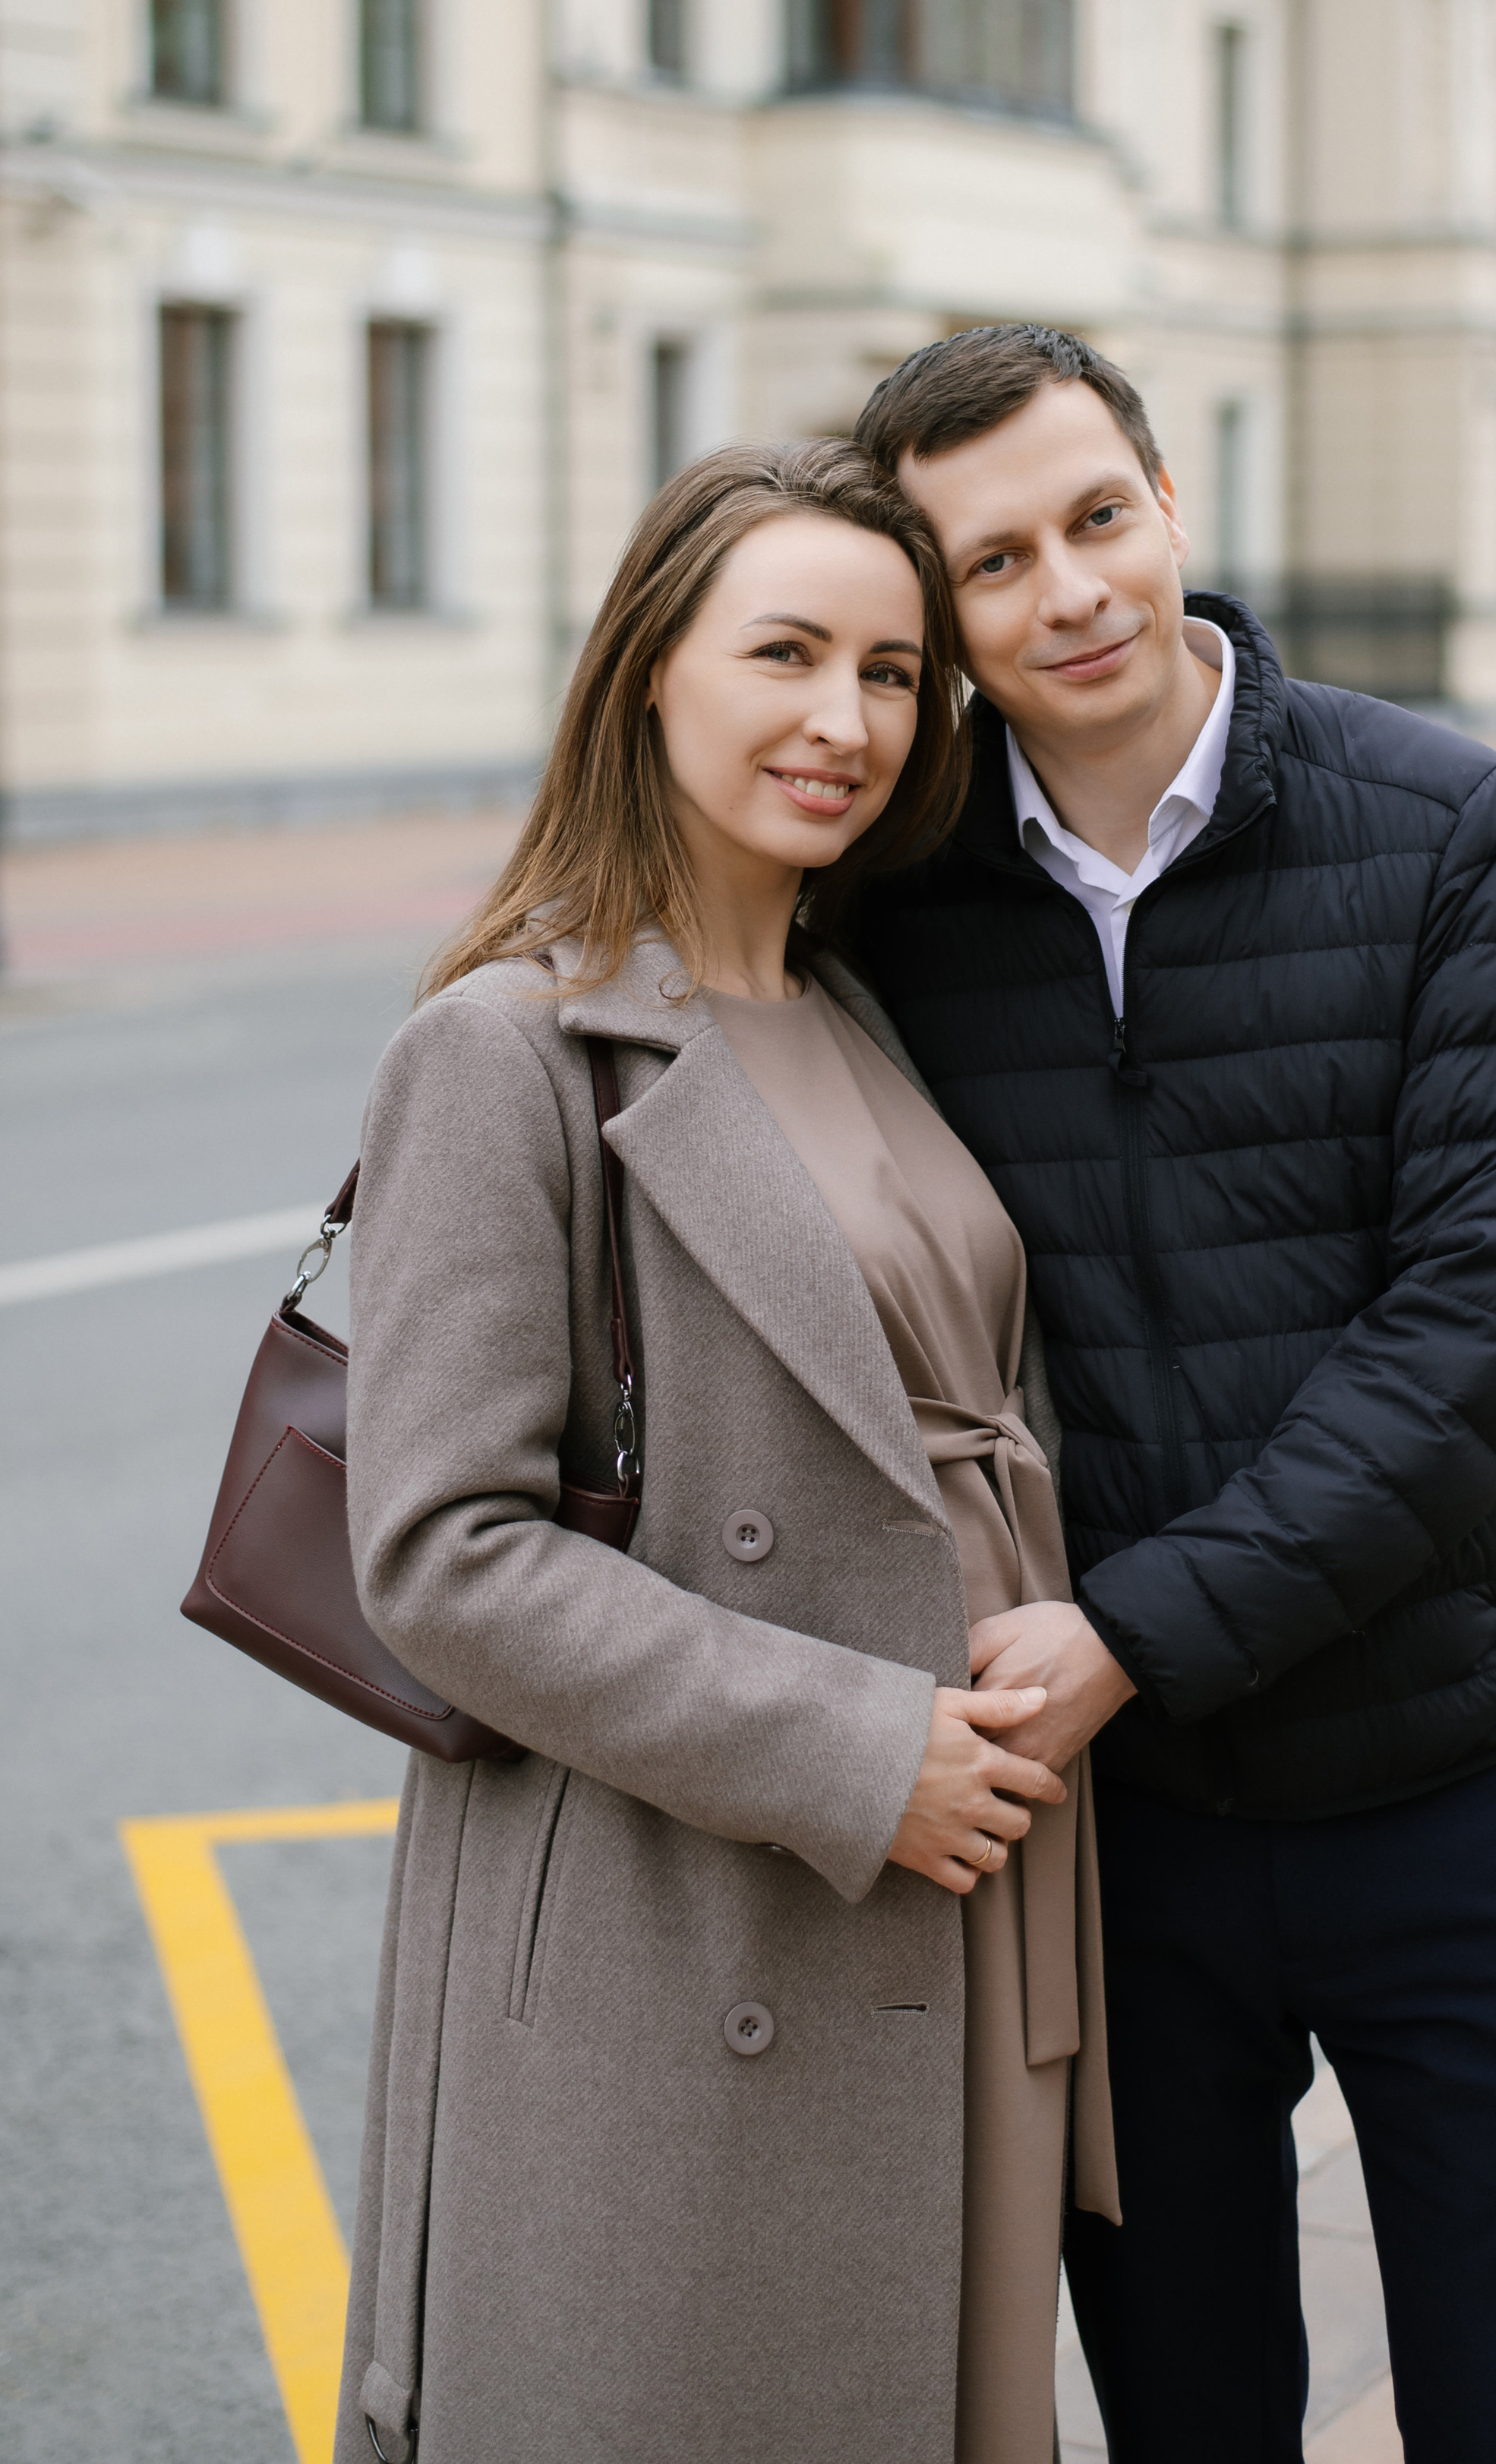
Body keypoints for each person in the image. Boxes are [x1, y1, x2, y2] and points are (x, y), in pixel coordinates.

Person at [849, 327, 1496, 2464]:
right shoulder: (895, 907)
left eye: (1097, 517)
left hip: (1466, 1783)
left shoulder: (1443, 818)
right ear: (941, 618)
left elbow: (1485, 1319)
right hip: (1121, 1848)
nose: (1072, 590)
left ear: (1169, 498)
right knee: (1192, 2422)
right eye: (994, 560)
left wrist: (1133, 1631)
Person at [333, 440, 1116, 2464]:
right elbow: (441, 1547)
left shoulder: (852, 1004)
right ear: (650, 669)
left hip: (948, 1885)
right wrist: (861, 1749)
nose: (842, 720)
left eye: (886, 669)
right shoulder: (509, 1044)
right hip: (689, 1915)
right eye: (784, 650)